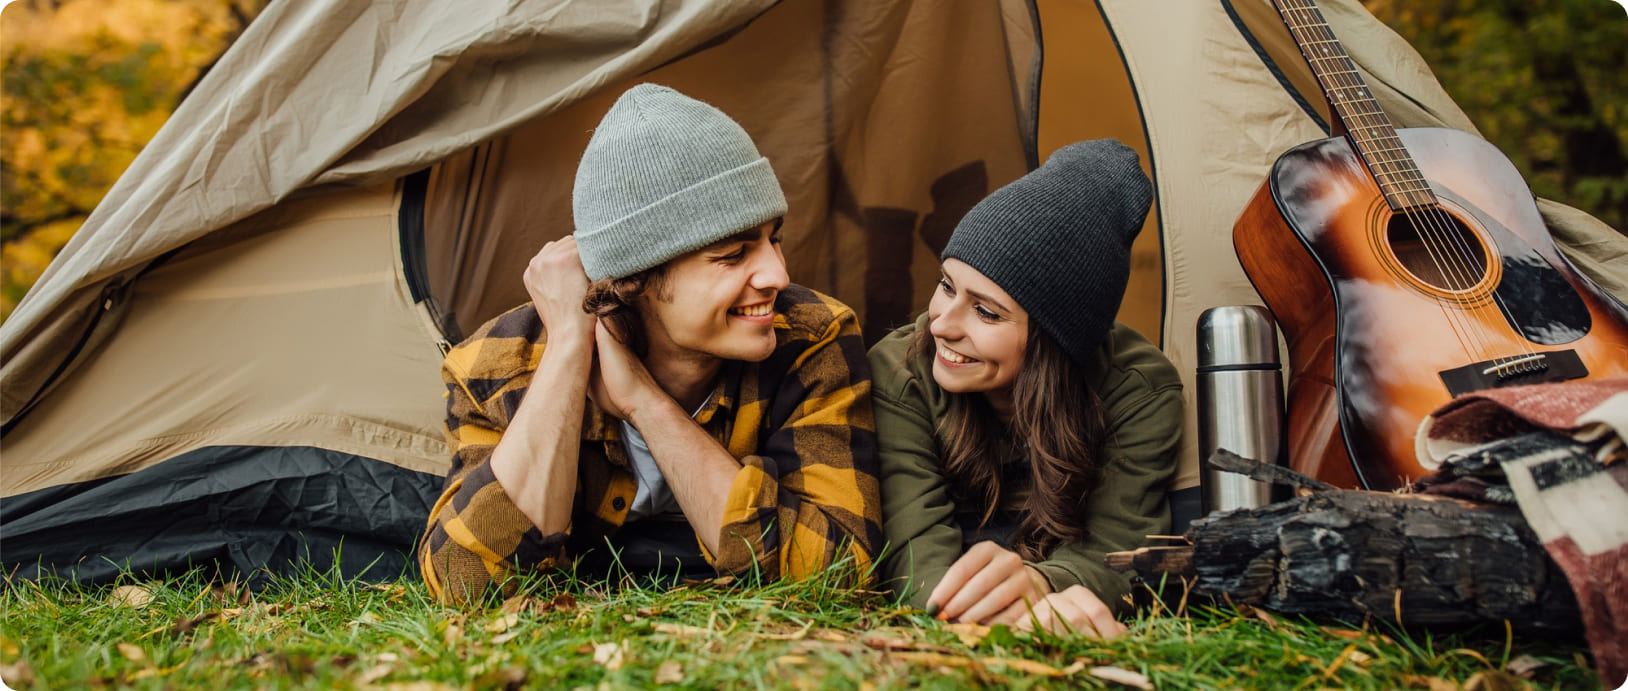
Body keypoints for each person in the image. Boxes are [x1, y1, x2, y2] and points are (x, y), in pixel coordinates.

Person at [419, 84, 883, 604]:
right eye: (733, 254)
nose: (778, 274)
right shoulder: (495, 364)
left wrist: (646, 404)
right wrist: (570, 347)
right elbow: (466, 584)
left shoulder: (811, 338)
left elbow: (840, 574)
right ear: (634, 281)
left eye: (774, 238)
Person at [870, 139, 1182, 638]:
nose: (941, 325)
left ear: (1052, 340)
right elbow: (915, 560)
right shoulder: (900, 370)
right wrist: (972, 611)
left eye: (986, 312)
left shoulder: (1138, 389)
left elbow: (1121, 550)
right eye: (947, 286)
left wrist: (1041, 585)